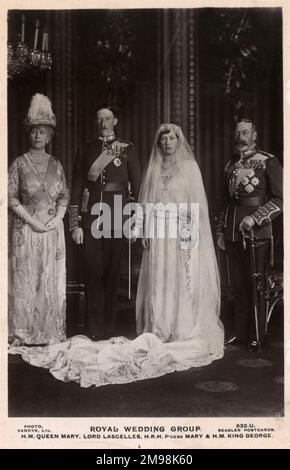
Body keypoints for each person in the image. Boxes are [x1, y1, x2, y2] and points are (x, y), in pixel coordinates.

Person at [135, 123, 224, 353]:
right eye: (163, 139)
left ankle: (179, 326)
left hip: (181, 228)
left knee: (179, 276)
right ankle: (158, 326)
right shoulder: (153, 168)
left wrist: (188, 238)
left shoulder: (189, 167)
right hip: (157, 229)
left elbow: (196, 204)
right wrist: (144, 230)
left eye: (171, 138)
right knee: (159, 275)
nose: (167, 143)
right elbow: (146, 203)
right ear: (158, 143)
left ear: (179, 141)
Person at [69, 104, 141, 341]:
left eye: (108, 118)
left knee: (111, 272)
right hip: (91, 216)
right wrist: (75, 224)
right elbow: (77, 187)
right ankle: (94, 329)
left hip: (118, 215)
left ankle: (109, 329)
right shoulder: (86, 149)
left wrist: (135, 222)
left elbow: (137, 188)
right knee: (92, 270)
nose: (104, 123)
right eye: (99, 119)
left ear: (115, 121)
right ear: (96, 122)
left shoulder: (127, 149)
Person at [8, 93, 69, 346]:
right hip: (27, 230)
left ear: (49, 136)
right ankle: (23, 332)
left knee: (49, 279)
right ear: (28, 134)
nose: (37, 136)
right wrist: (32, 221)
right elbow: (10, 198)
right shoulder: (19, 164)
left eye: (42, 132)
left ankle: (49, 332)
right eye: (34, 131)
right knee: (26, 279)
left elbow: (64, 196)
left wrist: (57, 220)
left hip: (52, 230)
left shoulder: (56, 164)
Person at [217, 118, 283, 352]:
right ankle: (240, 332)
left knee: (256, 284)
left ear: (254, 136)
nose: (240, 136)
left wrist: (255, 218)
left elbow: (280, 199)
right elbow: (225, 201)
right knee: (238, 285)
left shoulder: (268, 162)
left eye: (245, 132)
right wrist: (221, 231)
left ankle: (258, 335)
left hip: (257, 232)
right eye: (237, 133)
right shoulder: (230, 163)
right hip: (233, 232)